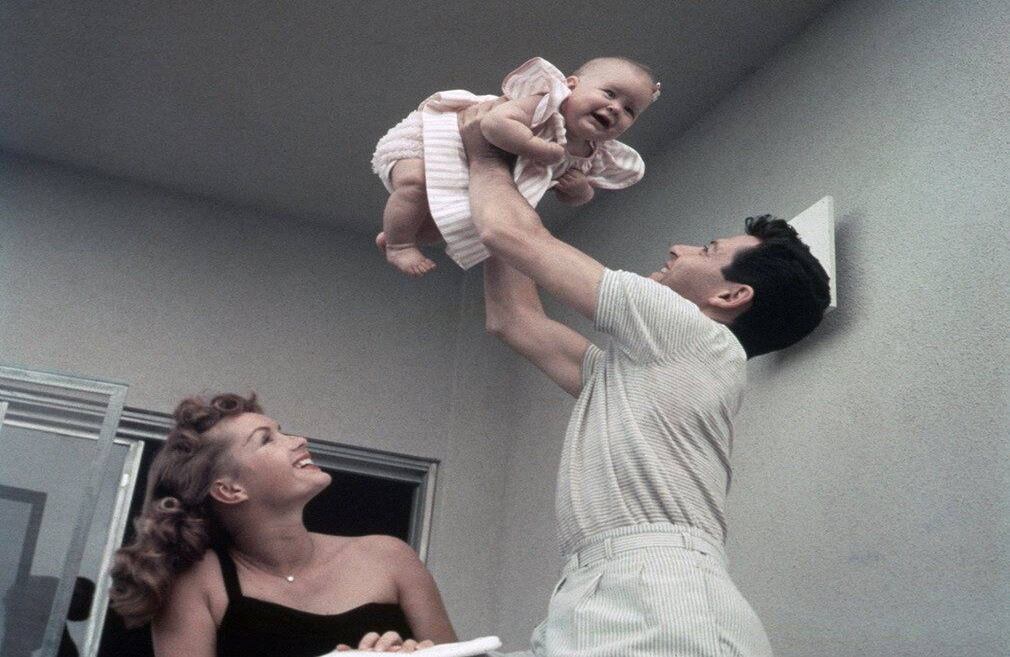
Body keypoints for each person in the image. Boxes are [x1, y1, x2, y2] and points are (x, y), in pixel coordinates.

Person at [455, 102, 830, 656]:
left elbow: (509, 234)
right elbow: (515, 319)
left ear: (730, 296)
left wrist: (486, 154)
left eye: (706, 251)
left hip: (658, 593)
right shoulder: (645, 370)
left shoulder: (698, 336)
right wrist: (519, 180)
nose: (678, 248)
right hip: (607, 586)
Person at [109, 393, 457, 657]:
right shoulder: (197, 584)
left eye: (282, 432)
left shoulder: (390, 557)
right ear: (230, 489)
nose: (298, 440)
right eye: (266, 439)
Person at [371, 56, 660, 276]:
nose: (615, 108)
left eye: (629, 110)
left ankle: (399, 230)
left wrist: (580, 190)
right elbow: (495, 123)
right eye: (609, 93)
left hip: (467, 173)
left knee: (444, 226)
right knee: (416, 184)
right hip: (433, 140)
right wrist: (535, 147)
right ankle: (399, 245)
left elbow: (573, 197)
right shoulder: (546, 103)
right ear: (570, 86)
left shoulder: (591, 154)